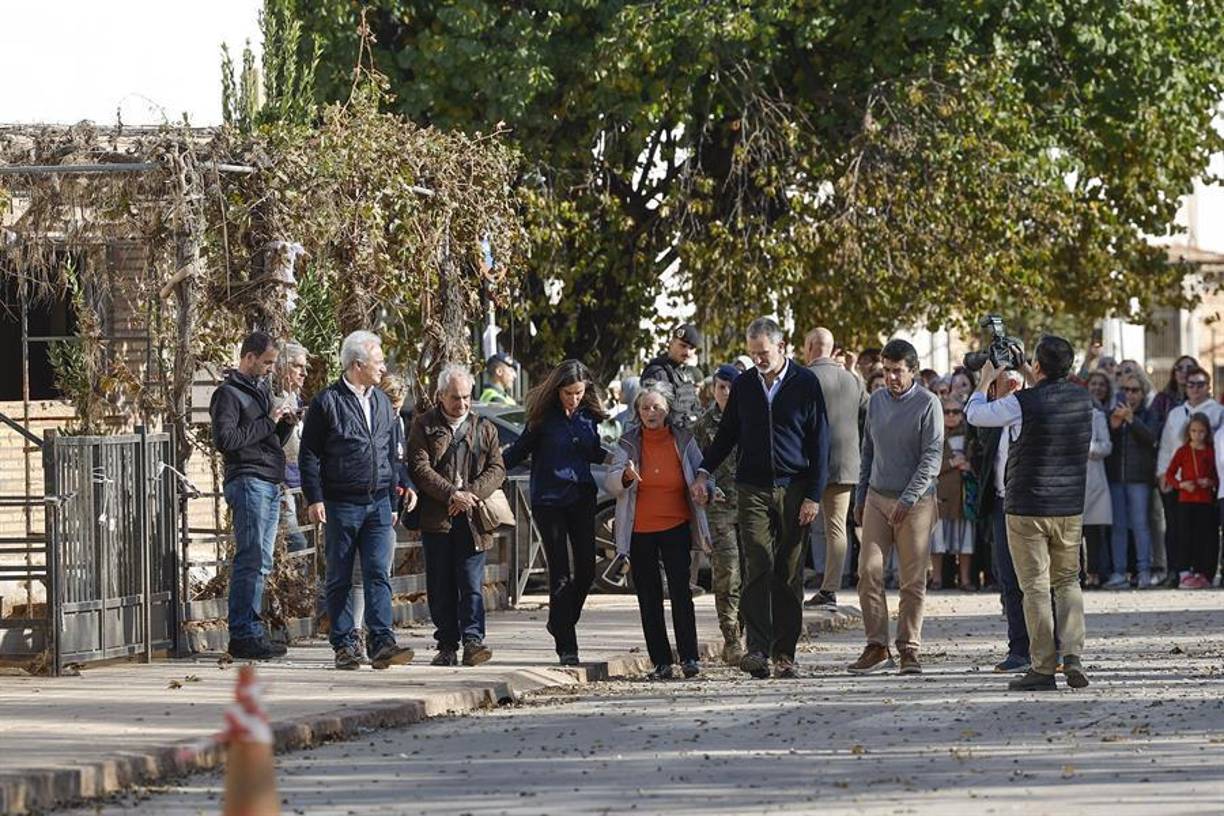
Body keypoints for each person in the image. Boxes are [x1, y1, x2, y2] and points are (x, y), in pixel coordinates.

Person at [692, 317, 829, 680]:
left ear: (781, 347)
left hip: (795, 486)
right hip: (751, 487)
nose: (758, 360)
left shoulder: (805, 383)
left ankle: (785, 654)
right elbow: (726, 435)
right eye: (753, 354)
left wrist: (813, 495)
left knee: (788, 572)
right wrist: (704, 470)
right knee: (757, 564)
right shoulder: (745, 386)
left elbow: (821, 443)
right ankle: (757, 649)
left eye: (764, 353)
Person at [965, 336, 1093, 691]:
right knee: (1067, 580)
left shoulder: (1023, 402)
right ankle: (1073, 655)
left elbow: (975, 415)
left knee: (1034, 586)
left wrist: (985, 380)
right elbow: (1050, 393)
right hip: (1068, 505)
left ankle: (1042, 665)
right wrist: (1028, 369)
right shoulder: (1083, 399)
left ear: (1037, 367)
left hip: (1026, 506)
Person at [300, 330, 417, 671]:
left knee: (378, 571)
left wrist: (398, 491)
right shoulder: (327, 402)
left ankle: (382, 641)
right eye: (378, 362)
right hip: (341, 502)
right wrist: (315, 497)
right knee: (339, 575)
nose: (383, 368)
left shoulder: (381, 401)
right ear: (357, 365)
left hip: (379, 501)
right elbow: (310, 454)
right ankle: (345, 643)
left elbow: (390, 455)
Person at [503, 359, 609, 665]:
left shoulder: (589, 416)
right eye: (568, 393)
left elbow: (593, 451)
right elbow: (518, 451)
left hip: (581, 497)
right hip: (549, 500)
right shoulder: (542, 419)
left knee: (587, 568)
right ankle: (567, 646)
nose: (573, 399)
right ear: (557, 390)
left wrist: (619, 460)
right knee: (560, 572)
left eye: (578, 393)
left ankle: (559, 621)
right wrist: (490, 466)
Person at [848, 339, 943, 675]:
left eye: (897, 371)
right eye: (886, 371)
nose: (891, 378)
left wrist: (908, 499)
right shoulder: (875, 402)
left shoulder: (928, 404)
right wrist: (860, 497)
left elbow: (932, 457)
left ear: (912, 371)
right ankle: (876, 645)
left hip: (915, 502)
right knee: (869, 571)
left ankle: (909, 648)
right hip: (877, 495)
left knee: (912, 579)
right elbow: (868, 451)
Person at [605, 382, 709, 680]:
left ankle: (689, 658)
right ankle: (661, 662)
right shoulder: (627, 443)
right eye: (645, 408)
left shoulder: (683, 439)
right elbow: (611, 482)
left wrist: (706, 489)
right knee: (648, 597)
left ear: (668, 410)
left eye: (656, 407)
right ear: (637, 412)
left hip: (675, 526)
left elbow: (703, 472)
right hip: (639, 531)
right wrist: (625, 476)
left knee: (680, 593)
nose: (651, 412)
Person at [409, 364, 506, 667]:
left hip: (473, 520)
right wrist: (452, 493)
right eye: (455, 397)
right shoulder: (424, 425)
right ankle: (447, 643)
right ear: (440, 396)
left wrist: (471, 495)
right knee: (440, 584)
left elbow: (497, 468)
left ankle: (474, 641)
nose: (462, 404)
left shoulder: (484, 428)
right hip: (437, 520)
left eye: (466, 397)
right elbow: (419, 468)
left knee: (471, 582)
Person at [210, 331, 296, 660]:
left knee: (261, 561)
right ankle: (243, 634)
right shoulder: (228, 394)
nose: (270, 370)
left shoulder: (258, 391)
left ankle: (253, 631)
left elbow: (266, 438)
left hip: (268, 481)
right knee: (251, 559)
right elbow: (227, 440)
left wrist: (283, 424)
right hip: (248, 480)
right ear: (248, 358)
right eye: (267, 363)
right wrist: (268, 422)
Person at [802, 327, 867, 609]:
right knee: (836, 528)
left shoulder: (803, 378)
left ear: (811, 347)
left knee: (799, 524)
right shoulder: (852, 380)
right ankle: (830, 589)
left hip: (808, 464)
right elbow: (867, 410)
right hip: (846, 464)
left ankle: (793, 583)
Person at [971, 368, 1031, 673]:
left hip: (1030, 505)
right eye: (1003, 382)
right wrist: (986, 383)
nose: (1011, 385)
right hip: (1000, 503)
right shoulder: (994, 419)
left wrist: (1026, 376)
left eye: (1015, 381)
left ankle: (1052, 647)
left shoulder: (1032, 409)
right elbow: (974, 417)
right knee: (1008, 579)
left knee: (1037, 581)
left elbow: (1041, 396)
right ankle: (1019, 649)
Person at [693, 364, 745, 664]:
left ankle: (749, 635)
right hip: (719, 508)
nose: (725, 393)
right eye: (720, 387)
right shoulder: (704, 425)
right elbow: (698, 466)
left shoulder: (751, 419)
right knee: (728, 572)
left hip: (751, 506)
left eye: (730, 387)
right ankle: (731, 638)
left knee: (752, 573)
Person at [1155, 366, 1223, 587]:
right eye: (1190, 384)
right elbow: (1167, 446)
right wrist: (1163, 473)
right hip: (1180, 482)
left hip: (1207, 485)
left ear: (1208, 386)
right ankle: (1180, 571)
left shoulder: (1217, 411)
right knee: (1178, 529)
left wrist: (1213, 480)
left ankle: (1205, 571)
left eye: (1200, 384)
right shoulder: (1176, 412)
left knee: (1206, 531)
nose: (1195, 388)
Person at [1104, 374, 1157, 589]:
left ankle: (1144, 571)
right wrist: (1114, 427)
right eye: (1125, 389)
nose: (1129, 394)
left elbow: (1151, 438)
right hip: (1116, 478)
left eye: (1135, 390)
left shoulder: (1149, 413)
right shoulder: (1113, 412)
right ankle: (1119, 572)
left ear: (1142, 393)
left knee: (1140, 526)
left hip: (1138, 479)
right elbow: (1106, 442)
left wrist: (1132, 420)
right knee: (1118, 527)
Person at [1164, 414, 1218, 589]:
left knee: (1203, 537)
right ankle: (1184, 572)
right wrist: (1181, 485)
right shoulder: (1183, 450)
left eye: (1202, 431)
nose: (1197, 435)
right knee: (1184, 536)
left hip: (1205, 500)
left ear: (1207, 432)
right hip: (1186, 500)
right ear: (1188, 432)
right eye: (1194, 431)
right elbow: (1169, 474)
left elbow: (1218, 477)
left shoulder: (1211, 450)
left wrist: (1209, 482)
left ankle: (1202, 572)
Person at [931, 397, 975, 592]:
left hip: (964, 497)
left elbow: (981, 461)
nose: (951, 416)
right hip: (940, 495)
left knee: (965, 540)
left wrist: (969, 466)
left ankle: (965, 580)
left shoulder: (970, 435)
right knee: (937, 541)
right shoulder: (933, 434)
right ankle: (936, 579)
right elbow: (927, 465)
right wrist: (951, 464)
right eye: (946, 412)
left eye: (955, 412)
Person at [273, 342, 309, 554]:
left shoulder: (296, 398)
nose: (303, 373)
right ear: (282, 367)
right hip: (281, 483)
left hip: (298, 482)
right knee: (296, 543)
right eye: (297, 366)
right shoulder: (275, 399)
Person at [1082, 372, 1115, 587]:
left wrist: (1088, 448)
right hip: (1071, 480)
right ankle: (1075, 574)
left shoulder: (1097, 416)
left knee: (1094, 531)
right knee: (1072, 532)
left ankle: (1094, 572)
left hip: (1093, 478)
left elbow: (1107, 446)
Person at [641, 323, 704, 430]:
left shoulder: (685, 373)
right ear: (672, 343)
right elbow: (655, 415)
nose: (687, 352)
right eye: (683, 346)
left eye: (692, 348)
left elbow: (694, 408)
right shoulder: (658, 372)